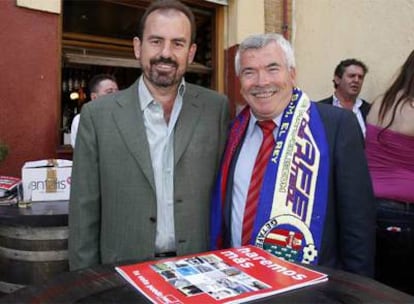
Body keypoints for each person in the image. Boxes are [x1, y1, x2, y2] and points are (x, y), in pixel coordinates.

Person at [68, 0, 230, 270]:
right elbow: (83, 211)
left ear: (191, 53)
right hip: (123, 272)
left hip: (201, 268)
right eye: (156, 41)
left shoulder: (216, 109)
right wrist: (87, 283)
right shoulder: (97, 116)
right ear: (137, 47)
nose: (166, 53)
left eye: (178, 43)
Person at [210, 33, 375, 277]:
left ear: (292, 74)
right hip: (236, 280)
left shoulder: (336, 126)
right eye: (249, 72)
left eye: (272, 68)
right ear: (239, 81)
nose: (261, 81)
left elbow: (358, 226)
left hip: (311, 287)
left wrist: (354, 292)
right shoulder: (231, 131)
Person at [365, 50, 414, 294]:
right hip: (404, 213)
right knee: (402, 287)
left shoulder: (381, 102)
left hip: (372, 205)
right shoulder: (411, 108)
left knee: (379, 283)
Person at [318, 58, 370, 136]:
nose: (356, 80)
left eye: (360, 77)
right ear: (337, 79)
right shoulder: (320, 109)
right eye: (351, 76)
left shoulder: (369, 110)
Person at [70, 74, 119, 147]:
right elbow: (84, 150)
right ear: (94, 97)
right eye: (109, 92)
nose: (116, 96)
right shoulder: (81, 119)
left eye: (117, 92)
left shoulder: (123, 118)